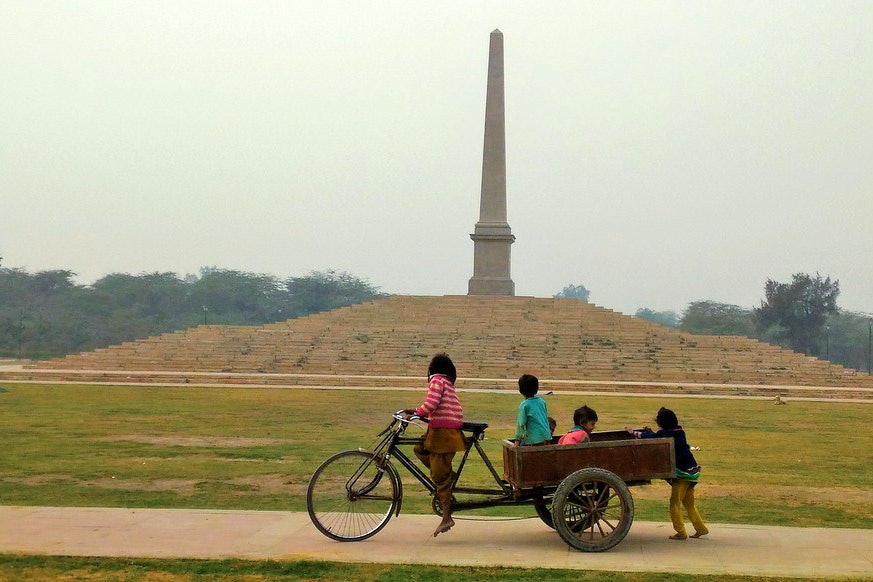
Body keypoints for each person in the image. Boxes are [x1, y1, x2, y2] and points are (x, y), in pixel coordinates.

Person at [403, 353, 465, 537]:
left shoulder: (437, 380)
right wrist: (415, 411)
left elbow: (432, 403)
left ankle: (447, 516)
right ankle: (447, 476)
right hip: (440, 431)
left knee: (440, 477)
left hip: (443, 434)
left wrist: (416, 413)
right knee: (419, 448)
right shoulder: (447, 382)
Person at [626, 407, 709, 540]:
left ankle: (681, 532)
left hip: (683, 474)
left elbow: (654, 437)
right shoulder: (679, 431)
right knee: (688, 503)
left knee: (674, 503)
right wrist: (652, 432)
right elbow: (659, 435)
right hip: (692, 471)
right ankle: (701, 528)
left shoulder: (668, 434)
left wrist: (633, 432)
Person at [513, 374, 551, 446]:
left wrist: (517, 440)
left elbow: (521, 423)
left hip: (534, 439)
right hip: (546, 436)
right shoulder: (542, 402)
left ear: (520, 390)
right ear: (536, 388)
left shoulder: (524, 405)